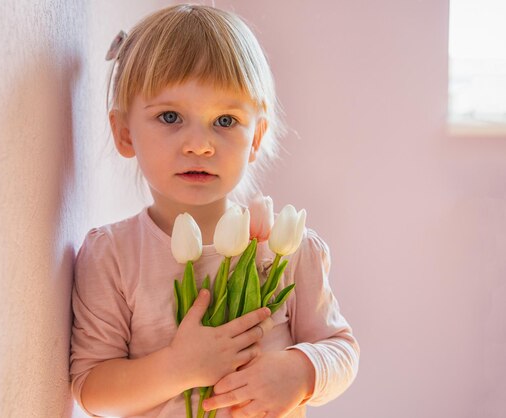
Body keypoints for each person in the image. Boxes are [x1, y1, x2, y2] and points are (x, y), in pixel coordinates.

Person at [70, 4, 359, 418]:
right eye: (170, 117)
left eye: (225, 120)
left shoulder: (287, 249)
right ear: (123, 132)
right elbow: (91, 388)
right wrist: (177, 367)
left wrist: (301, 372)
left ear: (255, 137)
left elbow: (341, 348)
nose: (200, 145)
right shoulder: (112, 255)